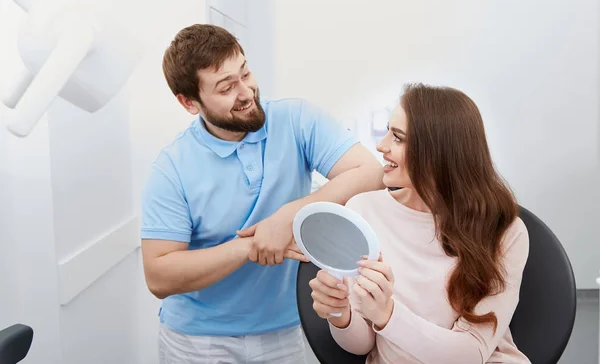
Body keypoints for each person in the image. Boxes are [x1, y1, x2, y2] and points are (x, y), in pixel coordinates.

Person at [139, 24, 385, 364]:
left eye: (245, 72)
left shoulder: (296, 118)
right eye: (226, 87)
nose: (246, 91)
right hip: (197, 343)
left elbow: (371, 173)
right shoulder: (171, 168)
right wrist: (250, 246)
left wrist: (289, 217)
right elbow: (159, 275)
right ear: (189, 103)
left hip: (284, 332)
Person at [309, 83, 531, 363]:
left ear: (436, 153)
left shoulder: (504, 231)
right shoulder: (363, 210)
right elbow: (361, 346)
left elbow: (471, 354)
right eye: (388, 131)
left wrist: (388, 315)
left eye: (398, 138)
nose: (381, 145)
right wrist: (339, 312)